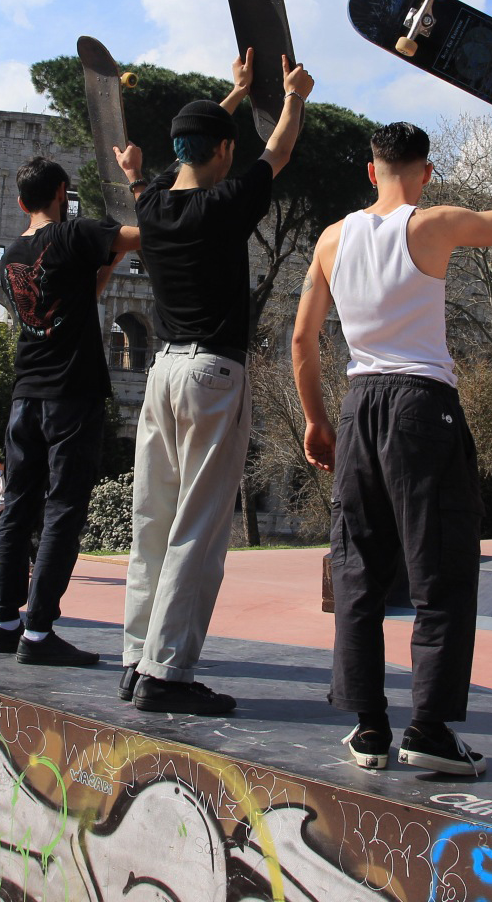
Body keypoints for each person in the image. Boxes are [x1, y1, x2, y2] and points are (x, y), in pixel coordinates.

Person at [291, 73, 492, 775]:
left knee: (358, 572)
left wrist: (317, 422)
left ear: (371, 170)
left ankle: (370, 729)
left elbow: (301, 340)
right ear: (426, 174)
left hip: (357, 403)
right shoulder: (431, 223)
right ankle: (429, 730)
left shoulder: (331, 238)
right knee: (440, 573)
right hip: (420, 408)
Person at [119, 48, 315, 715]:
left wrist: (231, 98)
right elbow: (280, 152)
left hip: (161, 374)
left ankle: (136, 657)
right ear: (225, 152)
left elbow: (192, 153)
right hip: (211, 373)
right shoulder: (225, 204)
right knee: (199, 526)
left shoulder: (149, 206)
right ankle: (167, 673)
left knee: (154, 519)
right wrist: (293, 96)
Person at [0, 150, 143, 667]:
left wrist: (105, 269)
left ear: (20, 201)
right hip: (71, 394)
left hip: (23, 397)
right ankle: (39, 631)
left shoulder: (9, 257)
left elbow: (73, 299)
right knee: (63, 509)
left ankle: (5, 623)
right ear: (62, 195)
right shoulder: (75, 233)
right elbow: (143, 234)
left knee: (17, 507)